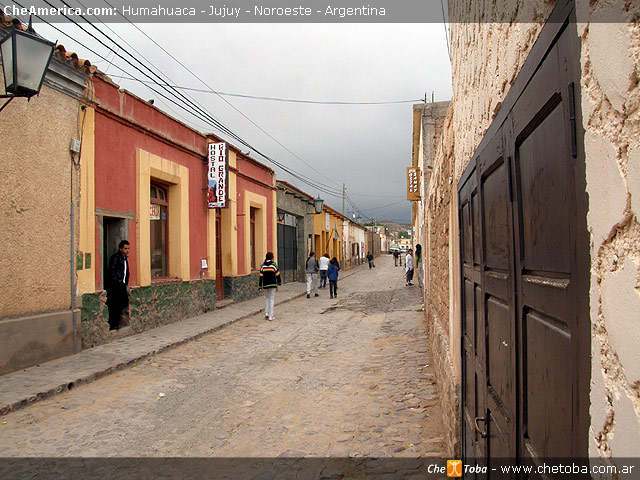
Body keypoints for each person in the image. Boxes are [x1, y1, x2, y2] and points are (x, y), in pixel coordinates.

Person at [106, 240, 130, 330]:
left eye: (128, 248)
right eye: (125, 248)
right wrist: (117, 282)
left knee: (122, 303)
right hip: (116, 285)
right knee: (114, 305)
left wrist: (125, 283)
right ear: (120, 249)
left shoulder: (125, 259)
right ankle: (113, 324)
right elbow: (113, 271)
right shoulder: (115, 258)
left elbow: (125, 272)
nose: (127, 250)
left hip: (122, 284)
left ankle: (117, 322)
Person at [258, 252, 281, 321]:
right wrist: (279, 282)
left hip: (265, 284)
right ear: (272, 258)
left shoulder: (263, 266)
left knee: (267, 298)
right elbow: (277, 274)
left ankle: (266, 313)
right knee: (271, 299)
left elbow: (261, 276)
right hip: (273, 284)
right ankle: (271, 316)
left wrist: (260, 286)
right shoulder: (274, 265)